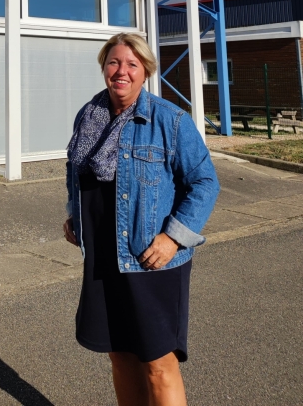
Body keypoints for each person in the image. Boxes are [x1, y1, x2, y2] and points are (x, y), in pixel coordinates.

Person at [63, 32, 219, 406]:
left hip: (151, 259)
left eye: (132, 65)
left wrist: (173, 238)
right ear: (104, 67)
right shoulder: (89, 114)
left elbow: (205, 182)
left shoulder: (169, 120)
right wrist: (74, 214)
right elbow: (76, 171)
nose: (122, 71)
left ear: (145, 71)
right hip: (102, 256)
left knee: (157, 362)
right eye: (114, 62)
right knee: (119, 354)